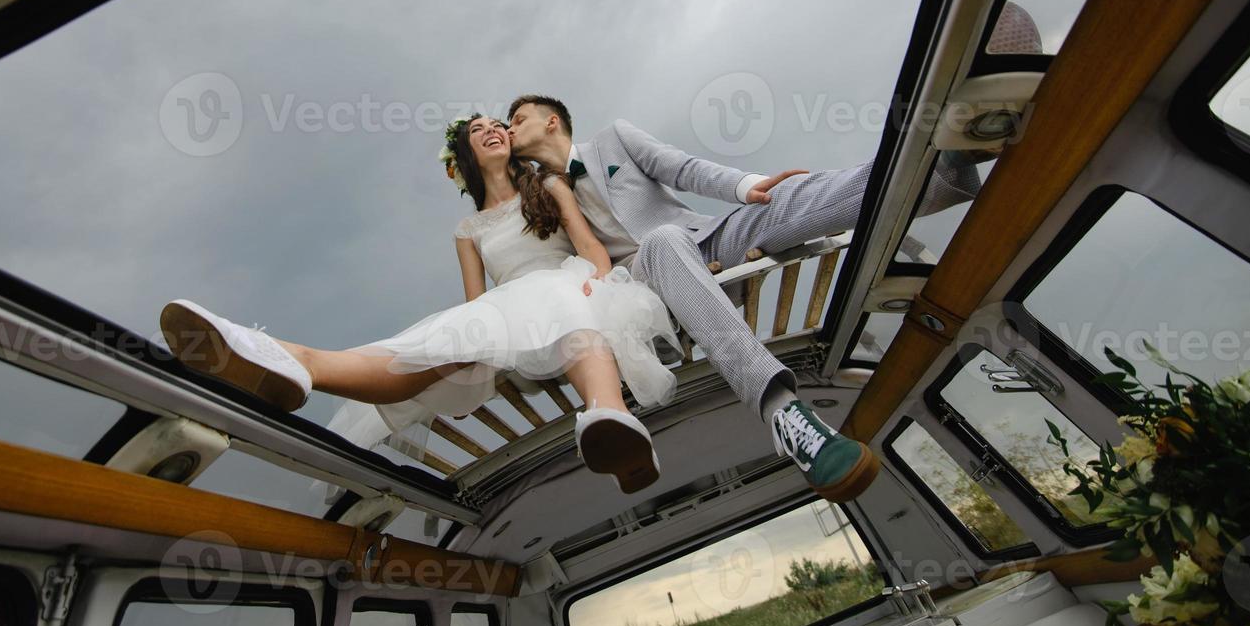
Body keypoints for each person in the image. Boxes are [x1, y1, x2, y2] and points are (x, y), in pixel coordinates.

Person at [159, 114, 678, 493]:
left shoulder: (550, 186)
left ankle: (610, 420)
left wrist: (595, 284)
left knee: (563, 302)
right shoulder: (467, 228)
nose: (493, 129)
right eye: (478, 131)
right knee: (434, 342)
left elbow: (590, 251)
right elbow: (476, 298)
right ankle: (291, 360)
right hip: (505, 304)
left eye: (498, 124)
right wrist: (481, 338)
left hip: (569, 282)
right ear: (467, 159)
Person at [505, 96, 986, 502]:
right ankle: (785, 415)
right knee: (663, 241)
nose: (510, 128)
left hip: (705, 240)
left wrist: (746, 186)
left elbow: (682, 168)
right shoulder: (537, 201)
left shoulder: (614, 138)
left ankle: (943, 166)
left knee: (789, 195)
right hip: (643, 282)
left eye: (518, 118)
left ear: (552, 120)